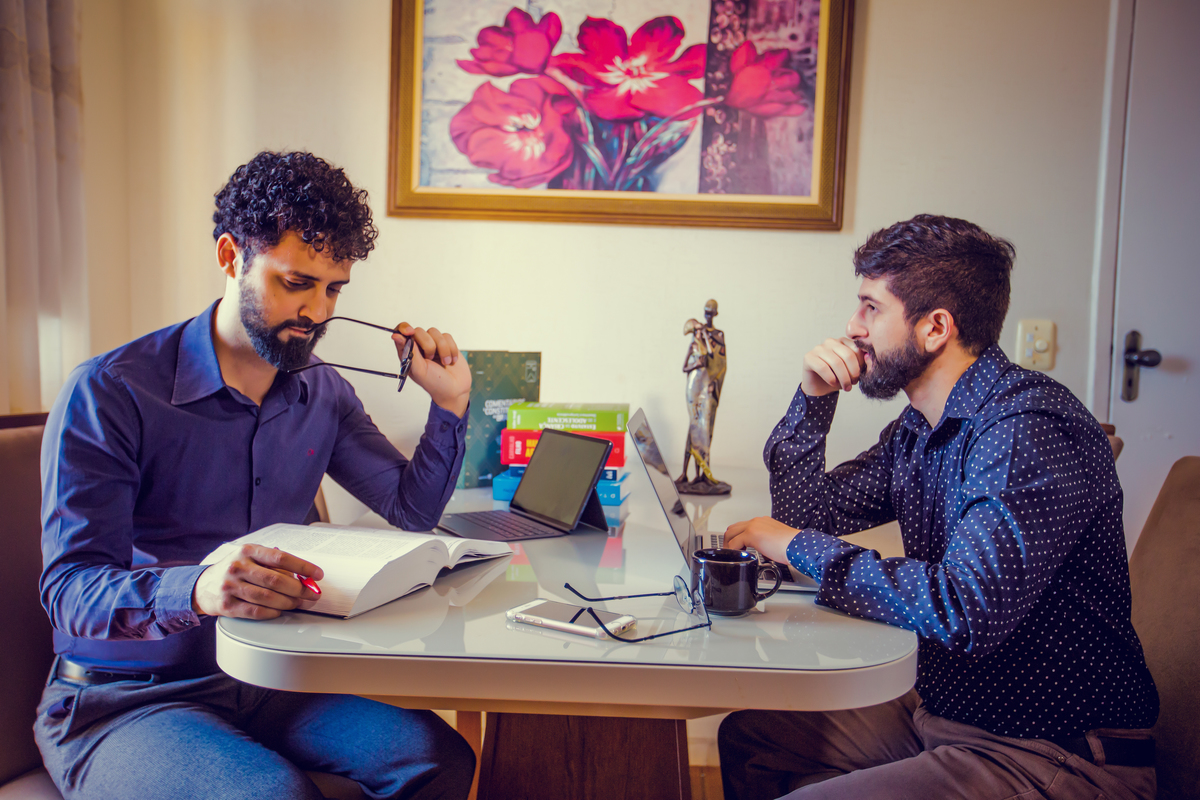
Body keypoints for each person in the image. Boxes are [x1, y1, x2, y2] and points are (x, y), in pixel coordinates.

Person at [36, 151, 477, 800]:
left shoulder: (323, 391)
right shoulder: (110, 392)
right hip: (123, 699)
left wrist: (450, 405)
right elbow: (69, 589)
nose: (317, 312)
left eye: (333, 289)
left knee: (438, 758)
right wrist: (197, 589)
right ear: (230, 256)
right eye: (296, 283)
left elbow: (409, 511)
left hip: (273, 678)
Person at [718, 215, 1159, 800]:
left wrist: (793, 544)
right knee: (752, 737)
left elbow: (964, 609)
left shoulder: (1023, 428)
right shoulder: (920, 428)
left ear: (935, 328)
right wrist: (813, 399)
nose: (852, 327)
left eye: (871, 308)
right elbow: (806, 521)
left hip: (1053, 751)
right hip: (948, 714)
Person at [677, 298, 730, 494]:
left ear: (715, 314)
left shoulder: (718, 335)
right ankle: (685, 473)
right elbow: (688, 364)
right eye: (705, 312)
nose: (708, 316)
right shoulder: (697, 336)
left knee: (705, 430)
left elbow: (720, 363)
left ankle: (703, 474)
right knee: (694, 428)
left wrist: (714, 384)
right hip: (696, 389)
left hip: (709, 389)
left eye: (711, 312)